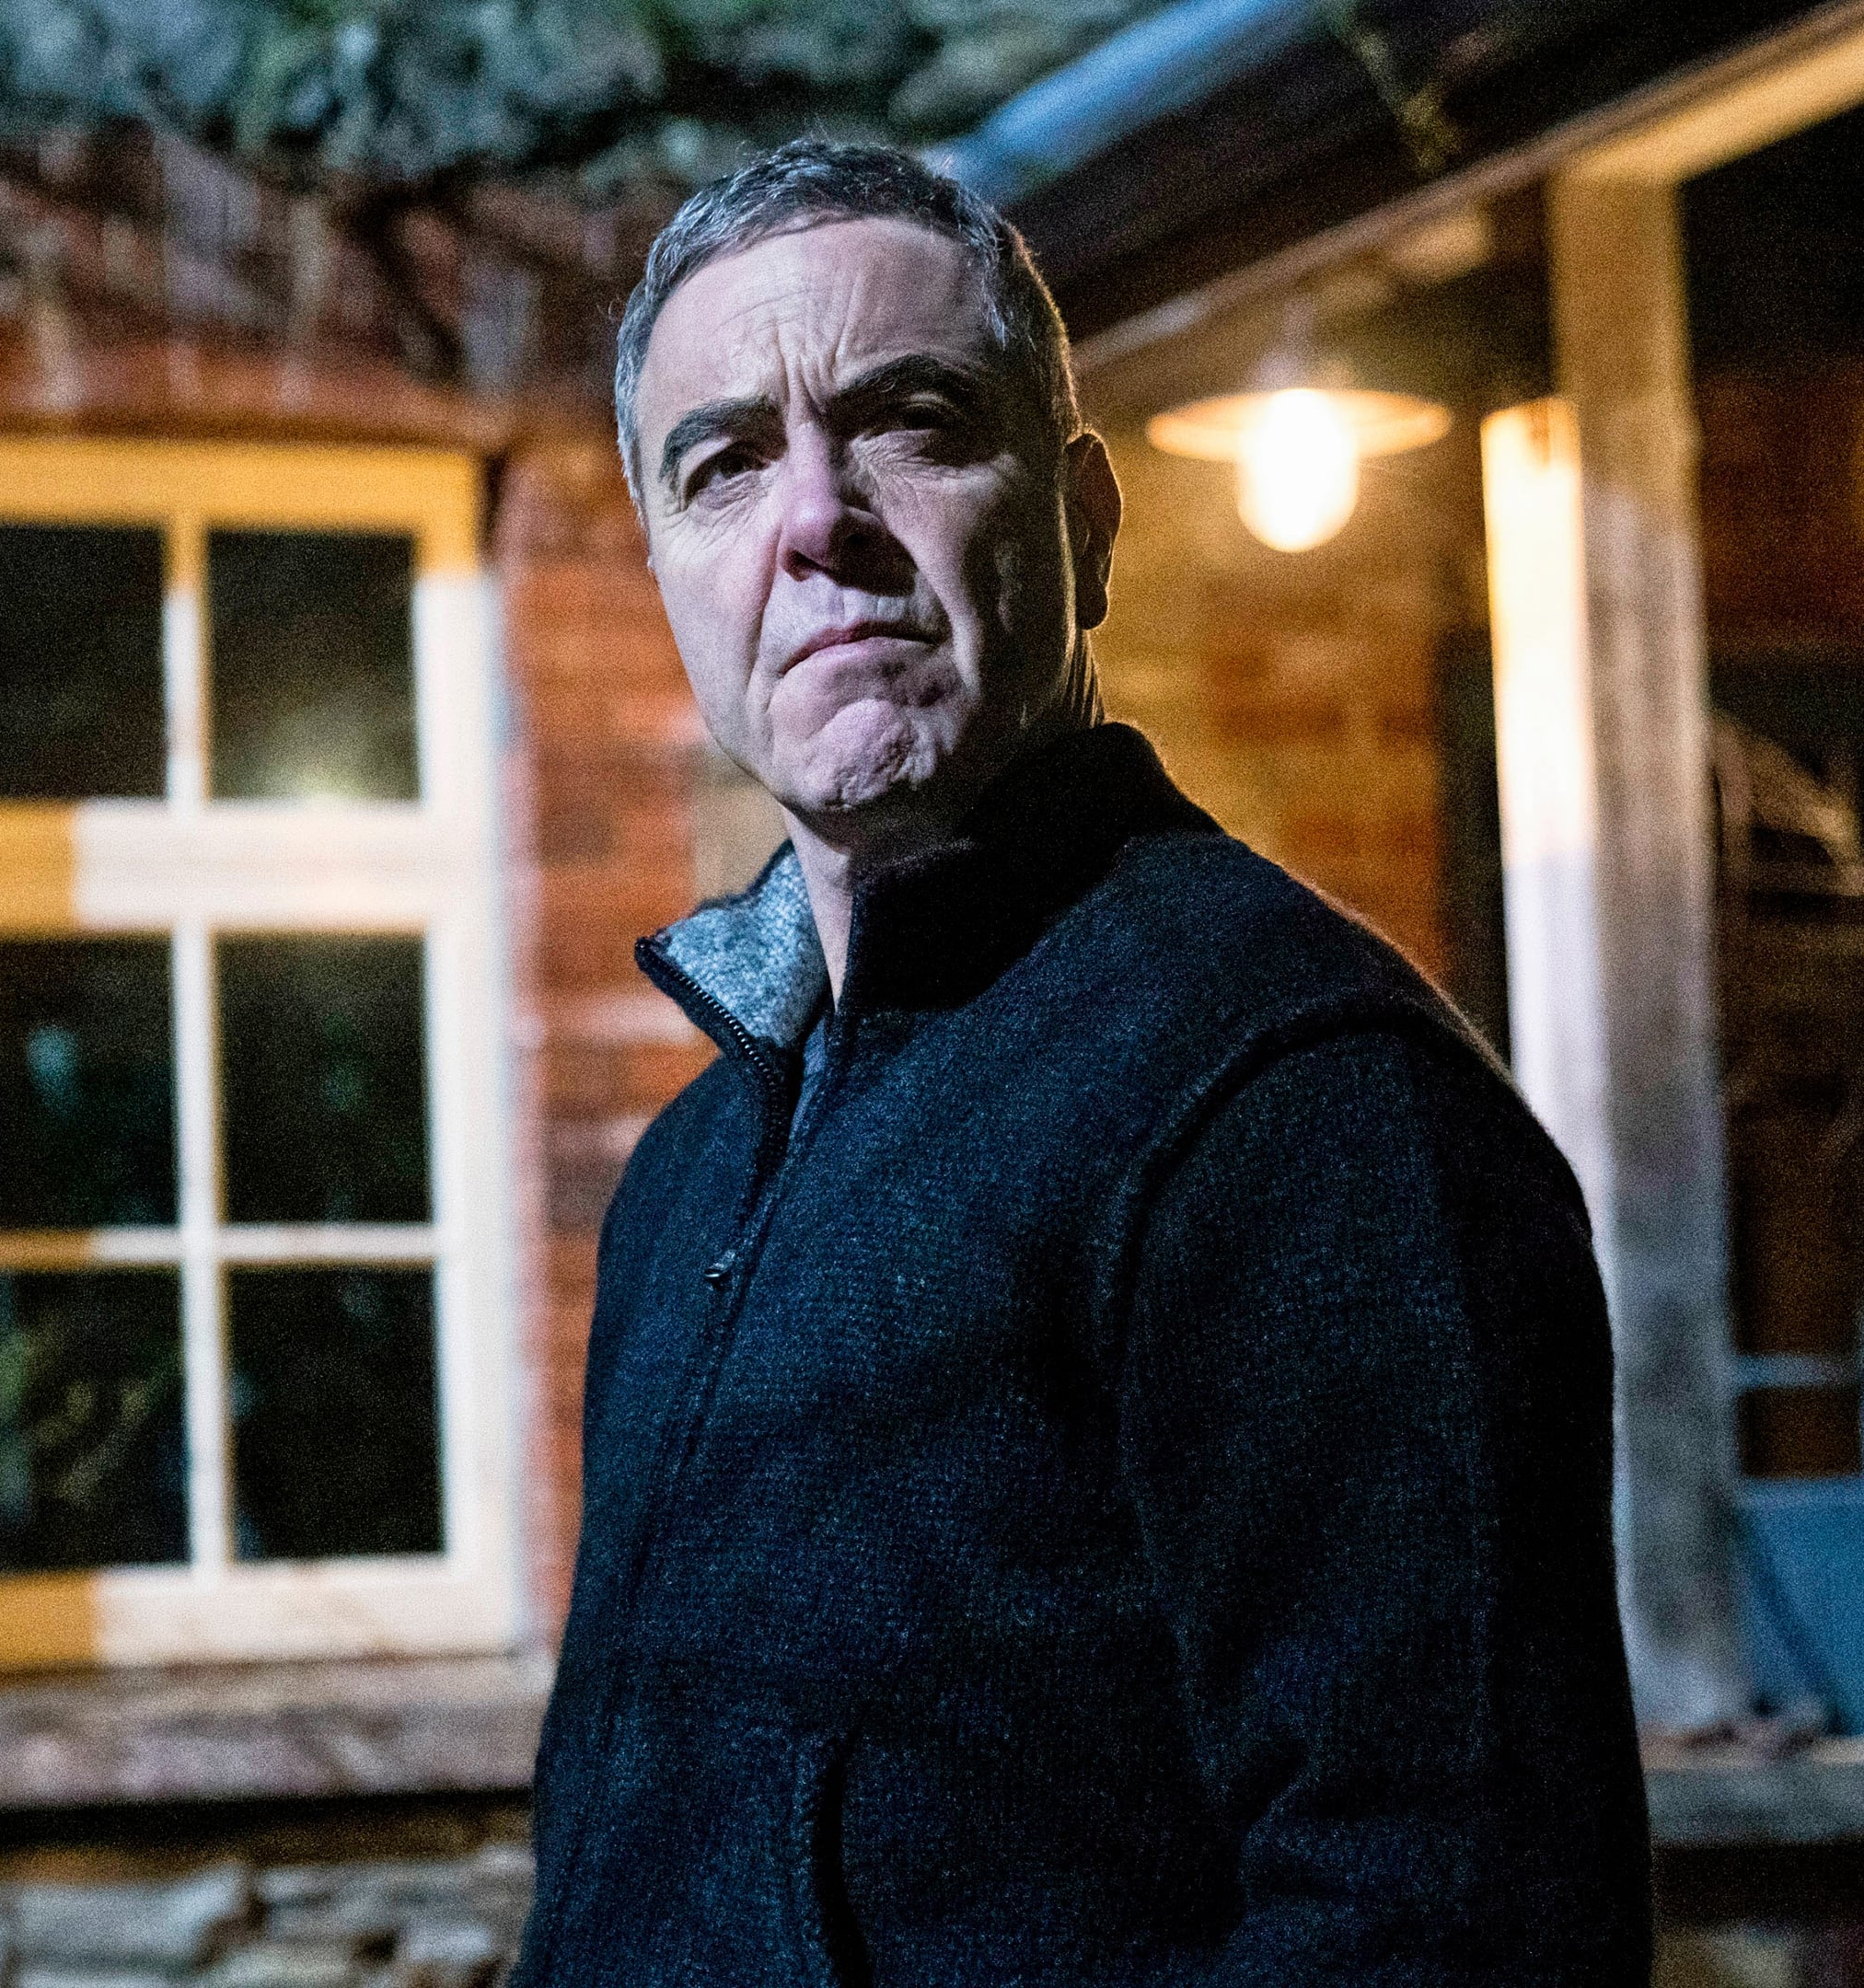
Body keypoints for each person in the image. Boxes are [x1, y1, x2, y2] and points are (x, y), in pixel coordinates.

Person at [515, 141, 1650, 1982]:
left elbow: (1441, 1923)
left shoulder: (1298, 1105)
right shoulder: (690, 1174)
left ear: (1086, 523)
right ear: (672, 582)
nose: (817, 521)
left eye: (910, 424)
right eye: (724, 467)